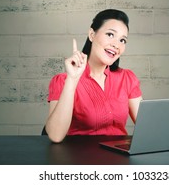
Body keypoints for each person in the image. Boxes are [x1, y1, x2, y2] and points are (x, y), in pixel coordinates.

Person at [45, 9, 143, 143]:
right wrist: (72, 80)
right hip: (81, 159)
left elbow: (147, 127)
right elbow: (55, 136)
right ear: (92, 34)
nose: (116, 45)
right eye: (110, 34)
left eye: (122, 40)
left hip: (119, 159)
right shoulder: (62, 81)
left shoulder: (127, 78)